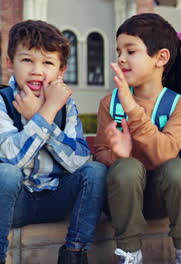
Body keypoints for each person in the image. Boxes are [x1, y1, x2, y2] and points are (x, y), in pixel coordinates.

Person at [93, 13, 181, 264]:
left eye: (131, 51)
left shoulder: (179, 105)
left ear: (161, 57)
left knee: (178, 167)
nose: (121, 58)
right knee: (126, 167)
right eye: (119, 51)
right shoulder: (109, 103)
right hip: (119, 200)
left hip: (160, 200)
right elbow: (100, 151)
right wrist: (118, 155)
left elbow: (166, 154)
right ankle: (129, 253)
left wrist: (133, 111)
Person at [0, 20, 107, 264]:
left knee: (95, 171)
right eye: (27, 60)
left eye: (47, 62)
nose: (37, 70)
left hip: (55, 197)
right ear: (10, 63)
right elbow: (11, 159)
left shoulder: (66, 105)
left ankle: (74, 253)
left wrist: (41, 114)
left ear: (61, 71)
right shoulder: (2, 102)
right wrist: (46, 114)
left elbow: (78, 161)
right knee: (5, 173)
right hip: (16, 203)